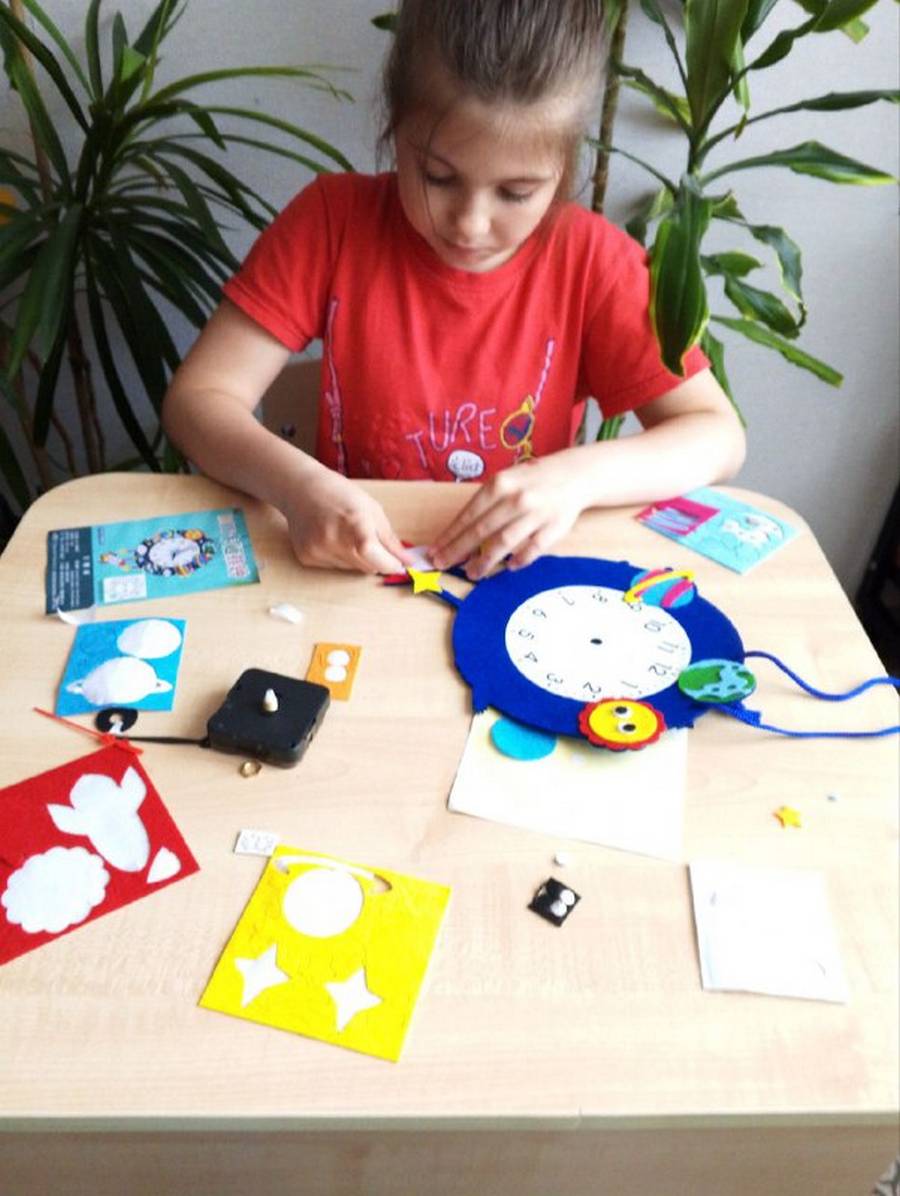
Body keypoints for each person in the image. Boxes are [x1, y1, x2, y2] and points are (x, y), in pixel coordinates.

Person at [162, 0, 745, 581]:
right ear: (396, 129)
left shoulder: (594, 262)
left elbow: (717, 436)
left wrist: (577, 478)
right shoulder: (331, 223)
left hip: (508, 584)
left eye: (515, 193)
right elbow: (198, 399)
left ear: (565, 166)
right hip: (353, 579)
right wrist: (297, 485)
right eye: (437, 177)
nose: (470, 224)